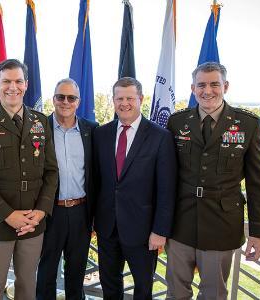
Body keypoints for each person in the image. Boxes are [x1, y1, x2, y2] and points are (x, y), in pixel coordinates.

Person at [166, 62, 260, 299]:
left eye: (214, 84)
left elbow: (259, 183)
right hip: (180, 223)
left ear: (226, 86)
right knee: (175, 293)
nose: (208, 90)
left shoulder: (248, 124)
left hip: (222, 224)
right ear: (193, 88)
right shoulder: (176, 122)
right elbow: (165, 175)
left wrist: (258, 231)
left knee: (213, 294)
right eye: (201, 85)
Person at [0, 58, 58, 300]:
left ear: (26, 84)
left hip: (32, 222)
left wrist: (41, 211)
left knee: (27, 287)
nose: (12, 87)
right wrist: (7, 214)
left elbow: (51, 171)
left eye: (18, 81)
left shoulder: (40, 122)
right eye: (6, 81)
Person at [93, 77, 176, 299]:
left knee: (142, 288)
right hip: (107, 228)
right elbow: (96, 182)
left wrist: (160, 230)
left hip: (143, 231)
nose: (125, 103)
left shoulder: (160, 137)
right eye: (119, 98)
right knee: (109, 285)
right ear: (113, 100)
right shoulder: (101, 134)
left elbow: (166, 189)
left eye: (130, 98)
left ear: (140, 99)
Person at [36, 78, 98, 300]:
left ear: (78, 102)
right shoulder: (39, 128)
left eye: (71, 98)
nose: (65, 102)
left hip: (81, 212)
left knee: (76, 272)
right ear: (53, 99)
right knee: (46, 272)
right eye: (60, 97)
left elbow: (96, 176)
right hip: (50, 211)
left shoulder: (92, 130)